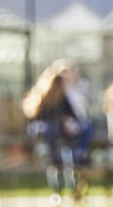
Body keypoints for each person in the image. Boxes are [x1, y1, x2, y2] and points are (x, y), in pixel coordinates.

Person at [22, 60, 89, 201]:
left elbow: (73, 115)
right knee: (56, 157)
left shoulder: (64, 97)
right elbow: (37, 117)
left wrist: (69, 122)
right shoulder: (43, 97)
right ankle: (58, 189)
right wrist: (62, 121)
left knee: (80, 134)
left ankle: (79, 162)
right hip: (49, 137)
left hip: (63, 139)